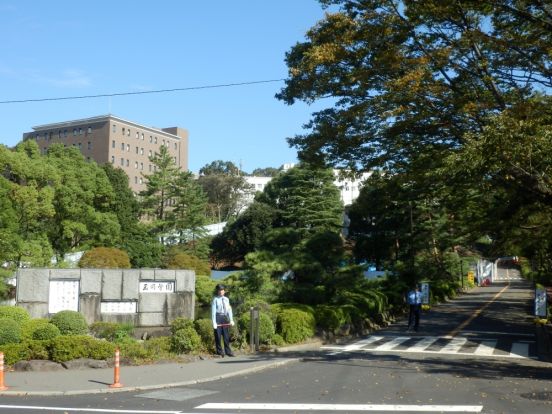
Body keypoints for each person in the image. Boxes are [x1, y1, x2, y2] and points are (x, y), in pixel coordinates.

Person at [211, 283, 235, 357]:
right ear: (217, 291)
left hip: (224, 317)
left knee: (226, 336)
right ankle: (219, 351)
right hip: (218, 317)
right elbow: (213, 312)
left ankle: (228, 351)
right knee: (218, 336)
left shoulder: (226, 299)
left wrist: (231, 319)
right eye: (219, 290)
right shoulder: (215, 300)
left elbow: (229, 310)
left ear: (224, 291)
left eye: (222, 290)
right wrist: (214, 322)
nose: (221, 291)